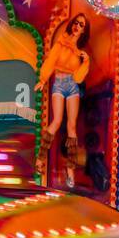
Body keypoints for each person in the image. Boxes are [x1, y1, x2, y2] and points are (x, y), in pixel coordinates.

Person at [37, 14, 92, 158]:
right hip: (59, 84)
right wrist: (43, 80)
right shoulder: (61, 42)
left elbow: (79, 78)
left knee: (72, 125)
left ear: (84, 31)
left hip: (72, 85)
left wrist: (86, 62)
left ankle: (71, 166)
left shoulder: (80, 52)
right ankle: (40, 158)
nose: (77, 26)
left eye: (81, 25)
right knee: (56, 120)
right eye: (76, 22)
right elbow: (52, 60)